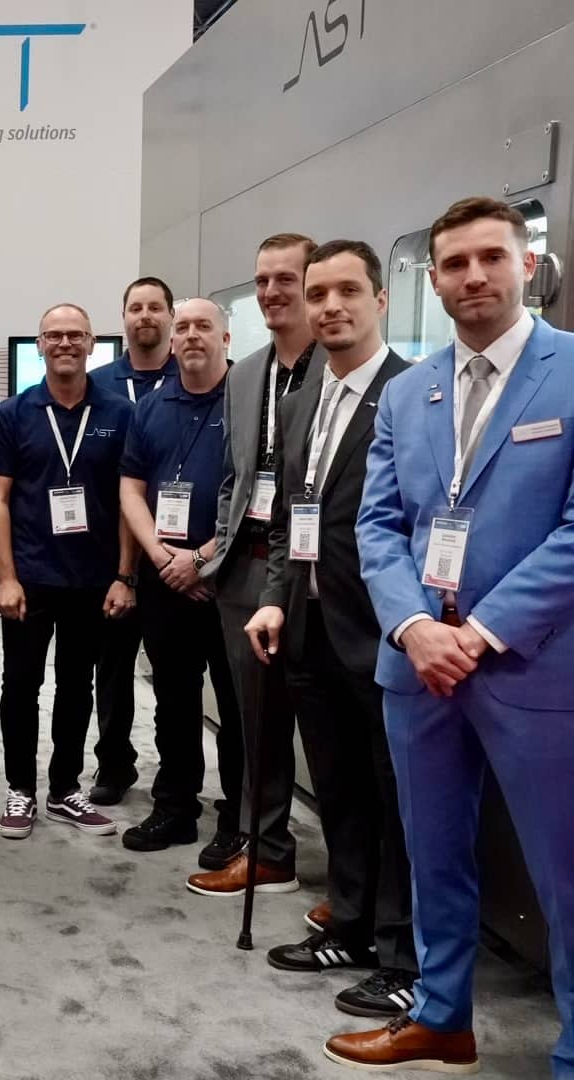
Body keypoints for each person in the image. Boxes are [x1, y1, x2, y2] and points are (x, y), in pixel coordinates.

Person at [335, 197, 574, 1076]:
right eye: (455, 264)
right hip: (420, 669)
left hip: (533, 669)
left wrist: (478, 632)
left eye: (491, 258)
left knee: (565, 874)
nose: (474, 276)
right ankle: (441, 1017)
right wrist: (412, 627)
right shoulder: (408, 392)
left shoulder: (572, 371)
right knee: (432, 857)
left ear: (526, 266)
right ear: (431, 280)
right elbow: (378, 525)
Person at [239, 241, 417, 1021]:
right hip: (309, 629)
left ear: (381, 299)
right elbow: (289, 520)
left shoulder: (413, 395)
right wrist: (277, 596)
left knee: (398, 803)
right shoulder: (300, 402)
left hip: (385, 634)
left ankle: (403, 956)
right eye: (318, 294)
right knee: (339, 791)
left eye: (348, 290)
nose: (330, 306)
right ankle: (349, 925)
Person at [0, 303, 135, 839]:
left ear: (92, 344)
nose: (65, 343)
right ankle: (20, 790)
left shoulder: (120, 414)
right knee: (21, 685)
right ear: (41, 345)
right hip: (31, 578)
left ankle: (65, 789)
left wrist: (124, 575)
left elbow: (130, 499)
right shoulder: (12, 414)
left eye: (75, 335)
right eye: (54, 335)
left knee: (77, 687)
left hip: (92, 579)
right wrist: (7, 577)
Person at [192, 234, 318, 891]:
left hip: (316, 572)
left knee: (328, 727)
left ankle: (359, 881)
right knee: (256, 722)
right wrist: (220, 543)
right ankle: (267, 848)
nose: (271, 292)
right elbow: (236, 474)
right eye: (262, 280)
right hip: (245, 565)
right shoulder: (244, 375)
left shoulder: (337, 367)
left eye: (285, 279)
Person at [116, 298, 243, 854]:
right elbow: (131, 488)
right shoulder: (151, 406)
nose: (192, 336)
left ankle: (240, 816)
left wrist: (202, 559)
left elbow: (258, 492)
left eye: (203, 327)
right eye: (183, 327)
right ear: (172, 339)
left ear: (225, 338)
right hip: (165, 580)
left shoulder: (251, 401)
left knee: (237, 705)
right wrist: (162, 556)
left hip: (231, 580)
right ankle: (175, 807)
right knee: (173, 699)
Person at [89, 277, 179, 806]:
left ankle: (175, 775)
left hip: (178, 555)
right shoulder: (99, 383)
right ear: (123, 317)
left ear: (169, 316)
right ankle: (114, 764)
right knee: (113, 670)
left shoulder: (194, 376)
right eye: (135, 307)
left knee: (173, 676)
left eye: (155, 307)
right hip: (111, 556)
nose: (145, 316)